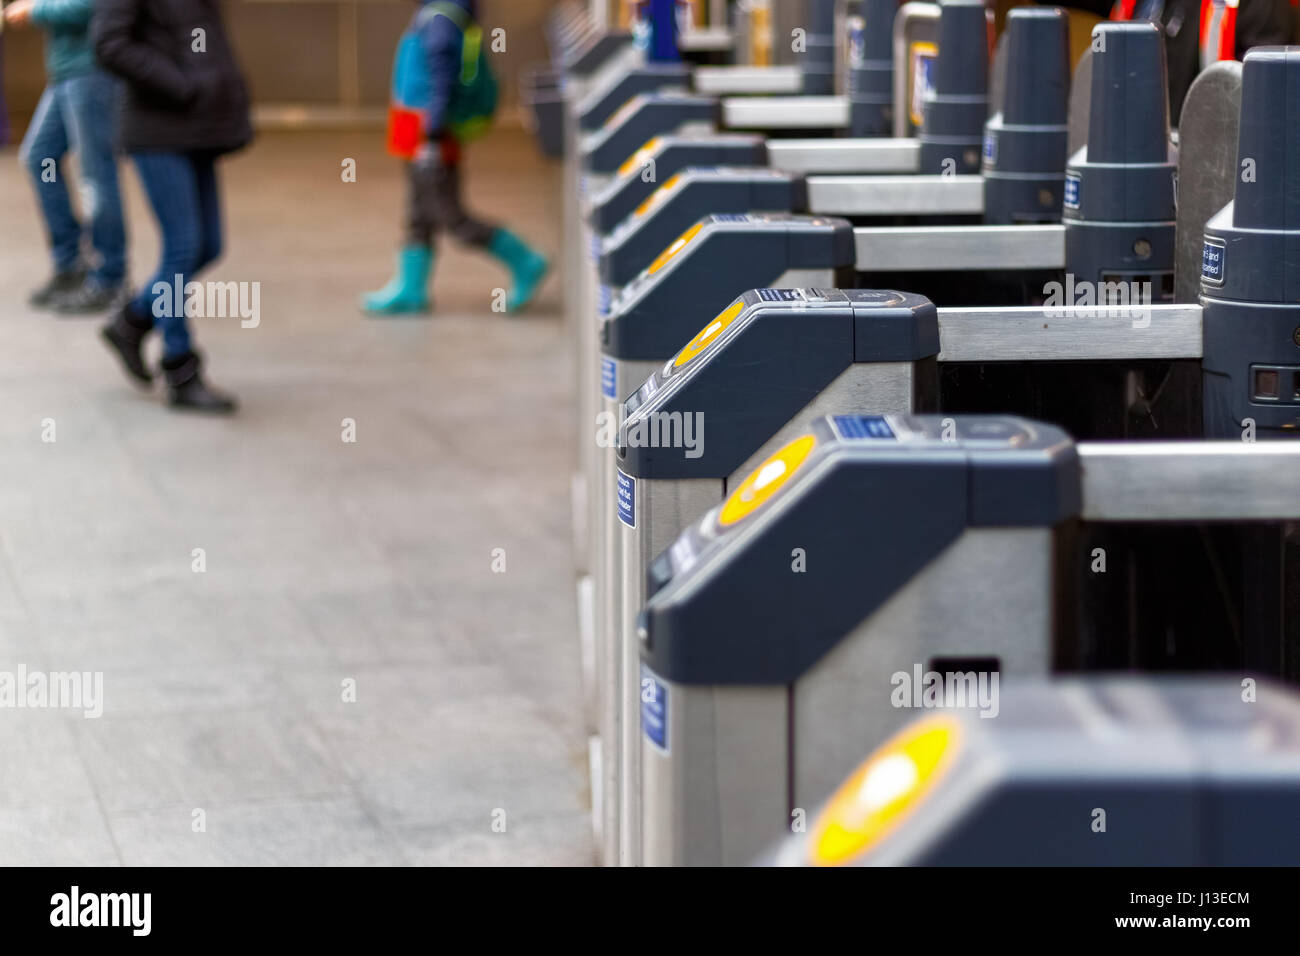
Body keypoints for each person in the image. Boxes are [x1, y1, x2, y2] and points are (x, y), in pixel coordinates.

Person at [93, 0, 251, 413]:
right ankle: (180, 368)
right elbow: (110, 44)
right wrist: (181, 83)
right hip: (158, 127)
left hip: (198, 125)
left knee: (209, 245)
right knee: (182, 247)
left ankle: (132, 321)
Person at [363, 0, 550, 316]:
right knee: (419, 213)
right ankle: (411, 288)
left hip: (429, 136)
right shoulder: (440, 13)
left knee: (452, 218)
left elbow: (441, 79)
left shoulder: (439, 18)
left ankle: (525, 260)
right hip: (418, 134)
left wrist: (433, 137)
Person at [6, 0, 127, 313]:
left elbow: (91, 6)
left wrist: (35, 10)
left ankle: (110, 277)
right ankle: (71, 262)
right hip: (67, 74)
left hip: (92, 74)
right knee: (40, 157)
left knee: (96, 176)